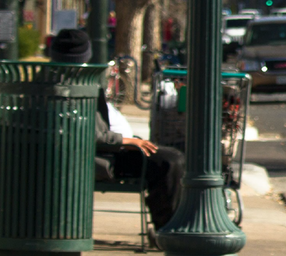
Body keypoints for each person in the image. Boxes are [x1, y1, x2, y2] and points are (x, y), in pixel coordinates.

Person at [48, 28, 184, 231]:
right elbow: (90, 135)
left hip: (91, 150)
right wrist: (128, 141)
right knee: (170, 161)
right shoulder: (76, 85)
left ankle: (169, 224)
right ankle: (167, 227)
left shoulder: (48, 80)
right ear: (87, 54)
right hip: (96, 156)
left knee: (170, 156)